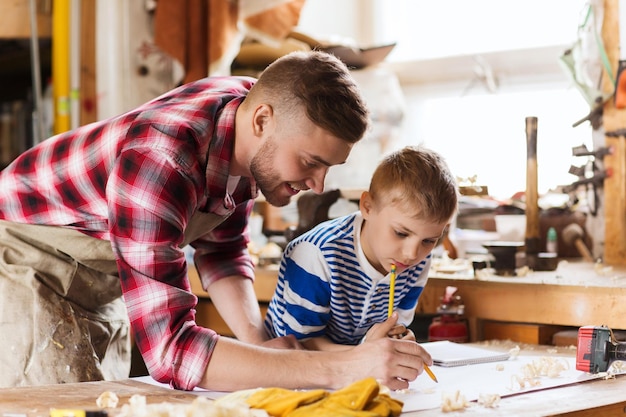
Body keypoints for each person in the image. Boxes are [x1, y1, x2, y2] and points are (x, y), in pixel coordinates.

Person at [0, 50, 433, 392]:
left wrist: (257, 341)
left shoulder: (250, 125)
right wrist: (341, 367)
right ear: (262, 120)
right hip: (23, 264)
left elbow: (222, 249)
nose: (319, 185)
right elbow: (173, 352)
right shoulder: (162, 159)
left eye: (329, 168)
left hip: (96, 279)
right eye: (310, 162)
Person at [265, 146, 458, 351]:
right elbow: (301, 346)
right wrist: (368, 353)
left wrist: (397, 339)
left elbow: (394, 327)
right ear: (367, 207)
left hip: (356, 368)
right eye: (401, 233)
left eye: (428, 241)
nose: (412, 254)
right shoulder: (316, 254)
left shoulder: (419, 261)